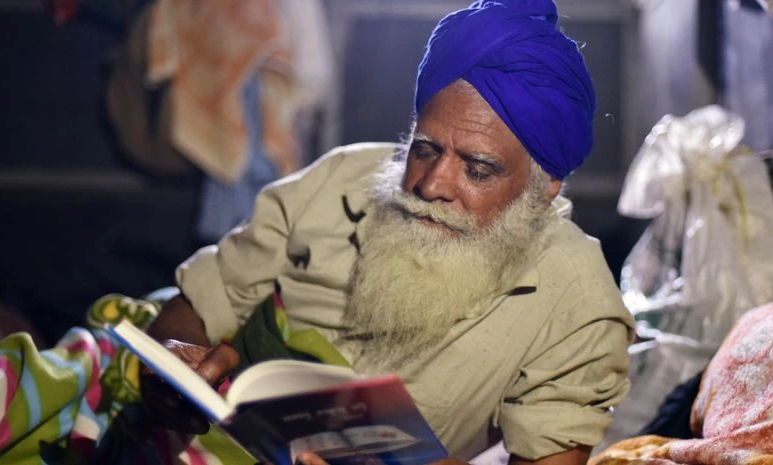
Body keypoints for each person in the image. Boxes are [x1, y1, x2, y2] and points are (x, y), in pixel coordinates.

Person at [144, 1, 635, 464]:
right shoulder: (339, 177)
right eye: (424, 149)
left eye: (478, 170)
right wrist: (172, 364)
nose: (432, 184)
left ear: (543, 188)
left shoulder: (576, 302)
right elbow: (196, 303)